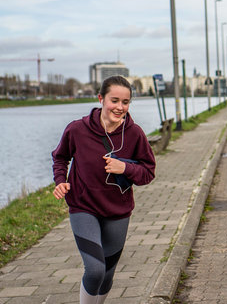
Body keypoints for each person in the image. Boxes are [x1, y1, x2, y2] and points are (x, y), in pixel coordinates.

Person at [52, 75, 156, 304]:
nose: (120, 107)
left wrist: (125, 168)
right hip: (83, 207)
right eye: (114, 100)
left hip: (118, 211)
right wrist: (60, 180)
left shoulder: (135, 134)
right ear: (101, 98)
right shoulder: (77, 130)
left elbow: (148, 173)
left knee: (108, 273)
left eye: (126, 102)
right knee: (95, 270)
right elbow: (60, 158)